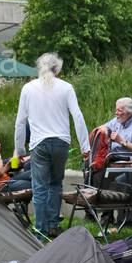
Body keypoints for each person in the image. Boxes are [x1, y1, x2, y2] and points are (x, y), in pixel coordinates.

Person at [13, 53, 89, 238]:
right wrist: (85, 146)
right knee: (55, 184)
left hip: (39, 143)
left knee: (39, 187)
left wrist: (20, 149)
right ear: (58, 70)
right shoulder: (66, 87)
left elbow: (20, 121)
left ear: (40, 68)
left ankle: (40, 229)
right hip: (61, 142)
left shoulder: (28, 88)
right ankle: (53, 224)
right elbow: (77, 116)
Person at [102, 97, 132, 163]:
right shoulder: (117, 120)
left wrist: (121, 141)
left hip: (128, 162)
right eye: (116, 110)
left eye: (119, 111)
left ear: (129, 113)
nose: (116, 113)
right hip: (111, 157)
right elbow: (102, 128)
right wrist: (103, 131)